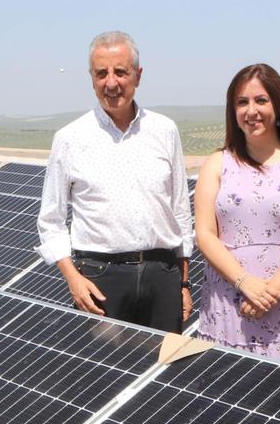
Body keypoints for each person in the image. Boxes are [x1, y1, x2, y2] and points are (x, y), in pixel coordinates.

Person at [36, 30, 193, 332]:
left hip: (162, 277)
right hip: (99, 279)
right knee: (101, 373)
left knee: (164, 374)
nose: (111, 83)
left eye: (121, 72)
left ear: (138, 75)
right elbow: (50, 221)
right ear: (91, 78)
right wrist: (74, 280)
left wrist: (184, 282)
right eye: (101, 74)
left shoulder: (165, 131)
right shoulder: (69, 139)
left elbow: (180, 213)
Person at [193, 64, 280, 368]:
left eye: (261, 100)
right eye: (242, 102)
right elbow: (204, 233)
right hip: (228, 304)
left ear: (278, 106)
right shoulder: (217, 163)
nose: (251, 110)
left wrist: (271, 291)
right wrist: (245, 283)